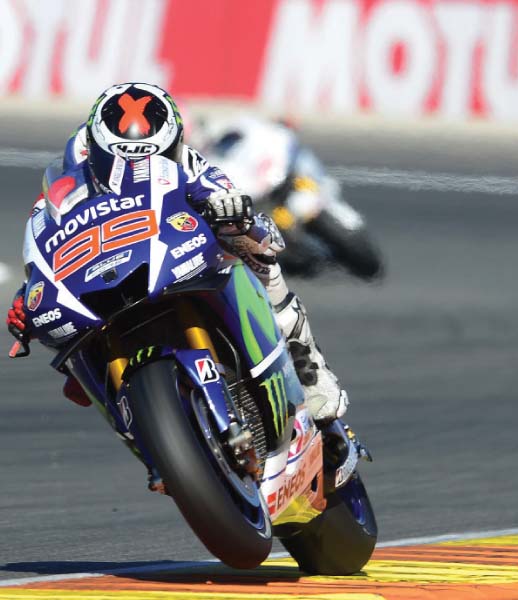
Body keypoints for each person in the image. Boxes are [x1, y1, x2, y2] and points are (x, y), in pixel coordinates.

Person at [6, 82, 348, 426]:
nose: (135, 168)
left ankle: (308, 364)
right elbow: (40, 252)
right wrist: (26, 297)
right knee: (72, 361)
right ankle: (141, 431)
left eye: (154, 156)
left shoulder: (187, 159)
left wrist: (232, 212)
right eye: (121, 159)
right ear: (96, 151)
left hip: (171, 256)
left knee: (254, 245)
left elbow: (224, 192)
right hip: (105, 278)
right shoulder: (66, 185)